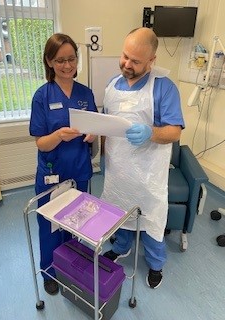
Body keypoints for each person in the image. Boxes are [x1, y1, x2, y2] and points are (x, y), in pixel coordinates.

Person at [102, 27, 185, 289]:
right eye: (125, 56)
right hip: (118, 169)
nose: (127, 64)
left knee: (150, 218)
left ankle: (156, 263)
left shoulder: (164, 88)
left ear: (152, 61)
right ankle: (122, 247)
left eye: (136, 61)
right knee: (119, 211)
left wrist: (151, 133)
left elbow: (173, 131)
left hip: (148, 173)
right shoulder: (111, 85)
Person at [29, 33, 97, 295]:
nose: (67, 65)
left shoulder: (85, 93)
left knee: (76, 223)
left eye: (71, 58)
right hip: (52, 173)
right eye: (60, 60)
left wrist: (93, 134)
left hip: (79, 171)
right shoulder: (42, 96)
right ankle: (49, 270)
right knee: (50, 225)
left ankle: (70, 265)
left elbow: (94, 128)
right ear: (49, 61)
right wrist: (58, 136)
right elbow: (40, 143)